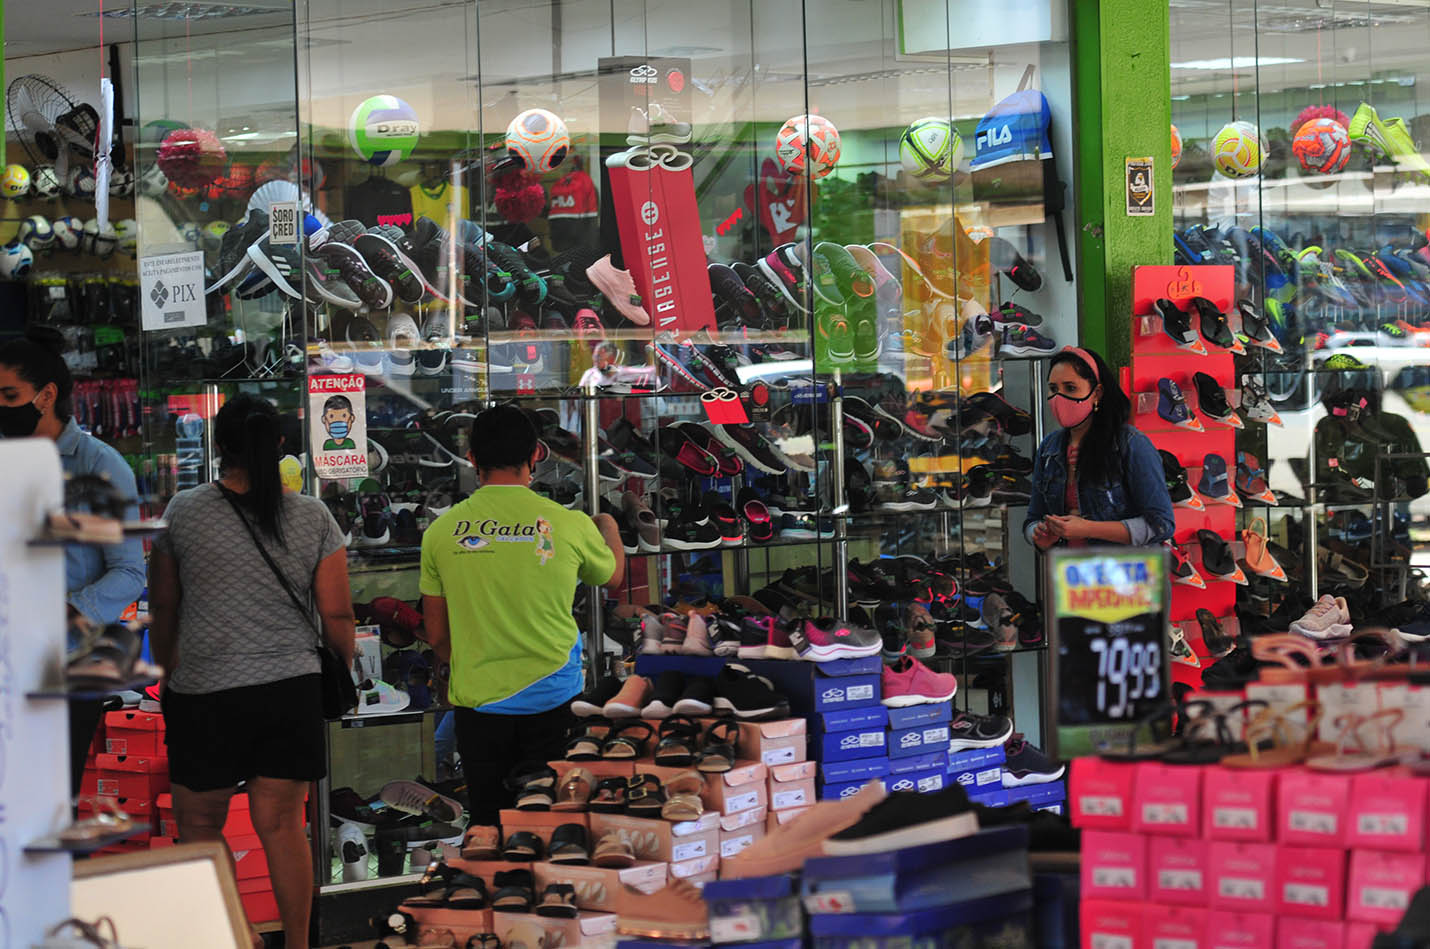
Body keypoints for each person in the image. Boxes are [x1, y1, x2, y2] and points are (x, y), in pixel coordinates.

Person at [148, 394, 355, 949]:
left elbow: (164, 605)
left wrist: (166, 671)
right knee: (283, 826)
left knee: (200, 825)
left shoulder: (184, 511)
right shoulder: (313, 516)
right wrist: (343, 669)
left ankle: (242, 935)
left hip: (204, 689)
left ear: (220, 447)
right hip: (290, 690)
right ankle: (298, 943)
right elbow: (337, 615)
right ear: (280, 445)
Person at [420, 404, 625, 825]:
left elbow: (437, 636)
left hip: (480, 706)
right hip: (556, 699)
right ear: (535, 455)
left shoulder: (440, 532)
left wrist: (475, 667)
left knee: (489, 827)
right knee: (556, 825)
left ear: (472, 458)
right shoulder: (568, 523)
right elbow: (613, 577)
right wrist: (608, 525)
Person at [0, 329, 146, 794]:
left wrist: (64, 609)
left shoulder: (98, 465)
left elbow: (129, 571)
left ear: (46, 396)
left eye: (9, 395)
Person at [1025, 346, 1175, 548]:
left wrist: (1089, 528)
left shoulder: (1131, 444)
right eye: (1053, 389)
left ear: (1096, 393)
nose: (1059, 398)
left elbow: (1162, 524)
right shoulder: (1048, 448)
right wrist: (1039, 535)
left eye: (1070, 388)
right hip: (1071, 566)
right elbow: (1033, 519)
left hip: (1126, 567)